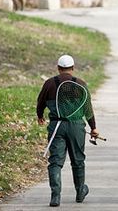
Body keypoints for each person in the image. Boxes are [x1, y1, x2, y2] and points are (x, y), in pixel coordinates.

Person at [37, 54, 99, 207]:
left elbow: (41, 102)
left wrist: (40, 115)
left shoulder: (49, 83)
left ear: (58, 68)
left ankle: (55, 196)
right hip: (76, 127)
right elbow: (88, 109)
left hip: (57, 126)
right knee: (78, 160)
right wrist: (93, 128)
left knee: (55, 162)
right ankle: (80, 192)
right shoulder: (81, 84)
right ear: (73, 68)